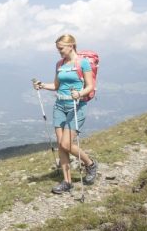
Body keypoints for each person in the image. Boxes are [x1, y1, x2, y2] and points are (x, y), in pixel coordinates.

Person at [33, 34, 98, 194]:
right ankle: (67, 182)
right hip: (59, 106)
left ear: (71, 46)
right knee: (61, 145)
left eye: (61, 48)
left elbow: (90, 86)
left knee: (66, 144)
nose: (59, 52)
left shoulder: (82, 63)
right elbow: (56, 85)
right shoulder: (59, 64)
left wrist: (80, 93)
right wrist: (42, 85)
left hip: (77, 106)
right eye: (58, 49)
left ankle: (90, 164)